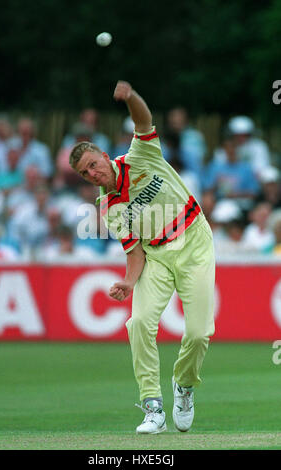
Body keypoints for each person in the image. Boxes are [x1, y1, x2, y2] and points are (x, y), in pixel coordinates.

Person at [68, 81, 215, 435]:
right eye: (85, 174)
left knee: (197, 334)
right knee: (137, 323)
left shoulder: (140, 156)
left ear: (104, 155)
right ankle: (153, 406)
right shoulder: (108, 205)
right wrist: (129, 282)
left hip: (194, 242)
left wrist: (130, 97)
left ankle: (184, 386)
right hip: (157, 257)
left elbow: (144, 121)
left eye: (93, 164)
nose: (93, 174)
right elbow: (134, 252)